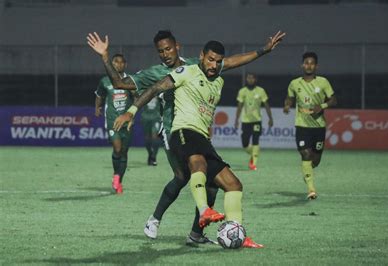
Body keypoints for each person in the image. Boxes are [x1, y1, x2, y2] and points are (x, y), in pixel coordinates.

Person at [87, 30, 285, 246]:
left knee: (210, 184)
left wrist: (263, 51)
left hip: (198, 132)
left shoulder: (198, 64)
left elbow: (231, 62)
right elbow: (119, 83)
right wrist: (105, 57)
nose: (165, 54)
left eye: (168, 48)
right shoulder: (156, 72)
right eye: (160, 51)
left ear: (177, 46)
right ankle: (158, 220)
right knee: (184, 175)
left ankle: (196, 233)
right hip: (175, 130)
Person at [283, 52, 337, 200]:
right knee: (305, 154)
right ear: (302, 65)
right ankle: (311, 189)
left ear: (316, 66)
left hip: (319, 126)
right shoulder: (295, 83)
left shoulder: (323, 82)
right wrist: (287, 105)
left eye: (312, 63)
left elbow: (333, 100)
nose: (309, 65)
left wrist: (323, 106)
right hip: (302, 125)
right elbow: (289, 98)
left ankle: (308, 173)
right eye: (306, 63)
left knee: (316, 160)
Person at [94, 53, 133, 194]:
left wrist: (132, 116)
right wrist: (97, 107)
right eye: (116, 62)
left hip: (127, 122)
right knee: (117, 149)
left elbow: (136, 99)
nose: (119, 64)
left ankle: (118, 180)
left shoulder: (130, 81)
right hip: (112, 120)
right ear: (112, 64)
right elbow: (99, 95)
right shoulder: (105, 81)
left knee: (124, 152)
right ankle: (116, 175)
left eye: (122, 62)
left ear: (125, 65)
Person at [234, 73, 273, 170]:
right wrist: (236, 119)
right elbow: (239, 106)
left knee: (256, 140)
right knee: (245, 144)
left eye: (252, 78)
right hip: (245, 121)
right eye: (248, 78)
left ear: (255, 79)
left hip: (257, 120)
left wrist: (270, 118)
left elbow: (266, 105)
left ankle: (253, 164)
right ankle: (254, 154)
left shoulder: (261, 91)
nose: (250, 80)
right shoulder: (242, 91)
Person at [140, 95, 162, 166]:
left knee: (155, 136)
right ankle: (150, 153)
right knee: (147, 138)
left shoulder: (159, 88)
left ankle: (154, 156)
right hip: (145, 117)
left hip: (156, 117)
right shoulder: (143, 89)